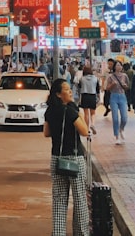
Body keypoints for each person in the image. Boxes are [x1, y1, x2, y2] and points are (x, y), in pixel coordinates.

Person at [43, 77, 90, 236]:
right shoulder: (70, 110)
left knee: (59, 200)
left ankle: (58, 233)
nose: (70, 92)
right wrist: (81, 114)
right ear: (58, 94)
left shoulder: (50, 111)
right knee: (80, 200)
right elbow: (84, 131)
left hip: (57, 158)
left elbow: (46, 133)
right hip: (74, 159)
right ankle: (82, 233)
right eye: (67, 90)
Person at [104, 58, 129, 144]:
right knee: (115, 118)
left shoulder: (125, 76)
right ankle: (117, 136)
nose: (119, 67)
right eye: (117, 65)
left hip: (122, 96)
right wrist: (112, 85)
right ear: (114, 67)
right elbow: (107, 88)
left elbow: (127, 88)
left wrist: (125, 85)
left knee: (124, 117)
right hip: (113, 96)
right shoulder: (111, 77)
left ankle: (121, 129)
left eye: (120, 65)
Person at [77, 61, 100, 135]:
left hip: (84, 96)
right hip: (92, 96)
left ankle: (87, 129)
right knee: (93, 113)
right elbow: (97, 89)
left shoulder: (82, 79)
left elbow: (79, 88)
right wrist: (98, 97)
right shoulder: (95, 79)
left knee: (86, 113)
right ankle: (93, 124)